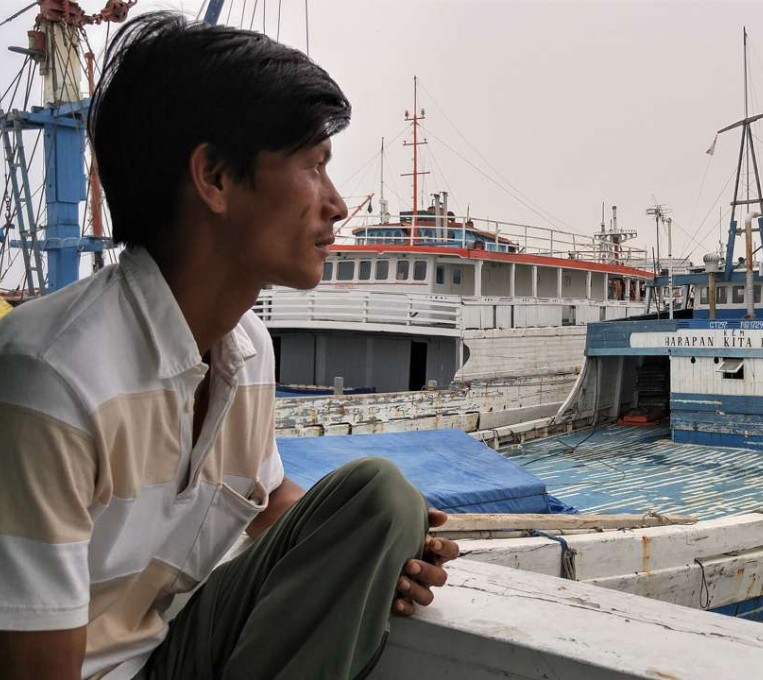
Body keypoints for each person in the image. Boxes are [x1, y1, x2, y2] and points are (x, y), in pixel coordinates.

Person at [0, 11, 457, 679]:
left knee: (381, 500)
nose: (338, 205)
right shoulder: (52, 380)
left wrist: (380, 549)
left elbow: (267, 502)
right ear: (214, 177)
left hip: (165, 654)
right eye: (313, 166)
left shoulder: (245, 349)